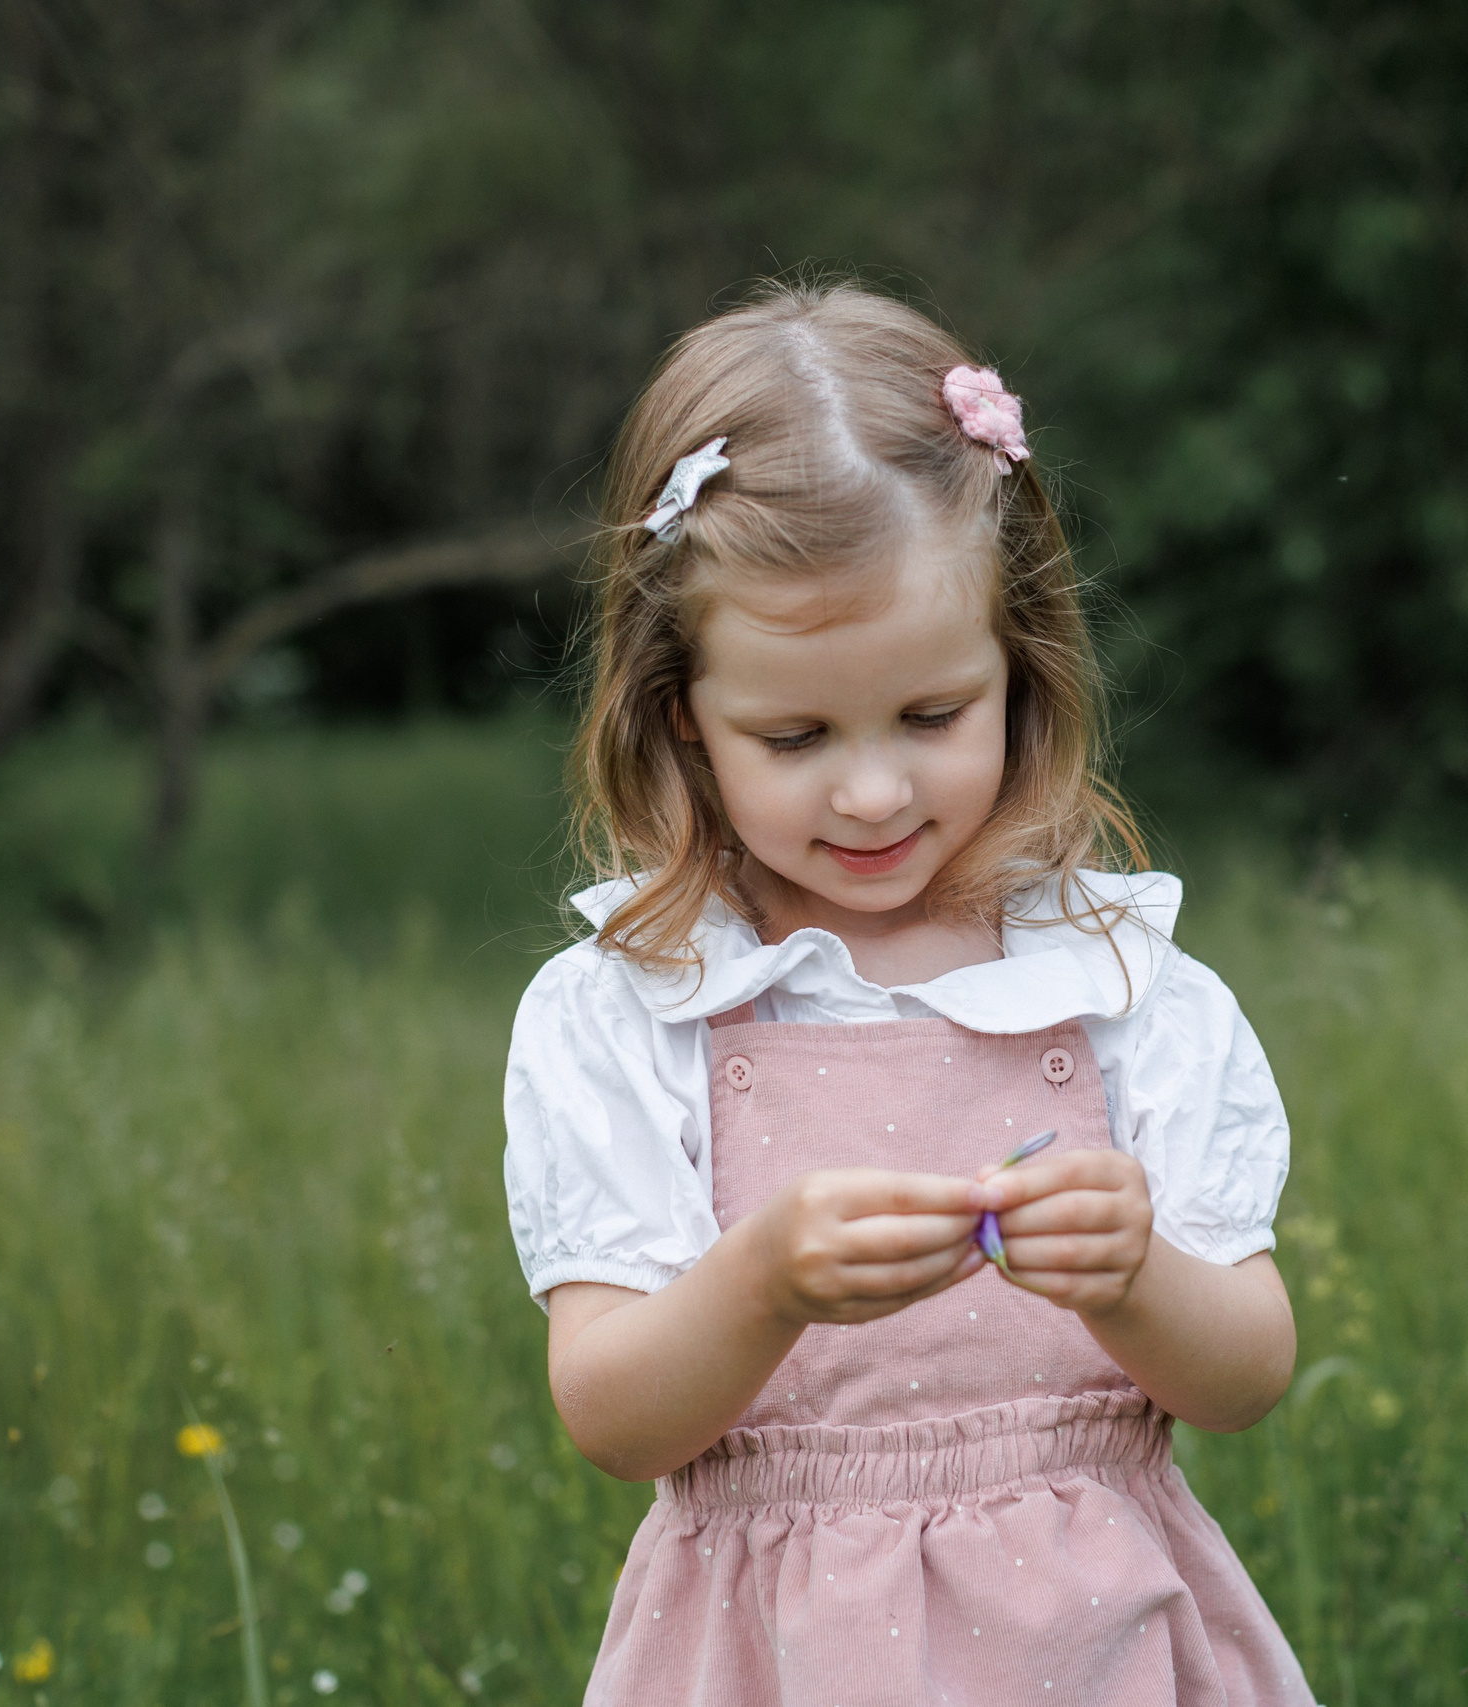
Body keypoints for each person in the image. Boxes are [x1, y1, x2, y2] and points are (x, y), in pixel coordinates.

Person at [504, 280, 1314, 1705]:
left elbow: (1245, 1378)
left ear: (1020, 671)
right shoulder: (634, 1006)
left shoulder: (1113, 979)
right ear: (681, 716)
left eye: (934, 717)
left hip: (1094, 1651)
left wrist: (1135, 1277)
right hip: (779, 1655)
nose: (875, 791)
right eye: (796, 735)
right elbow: (614, 1420)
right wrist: (761, 1282)